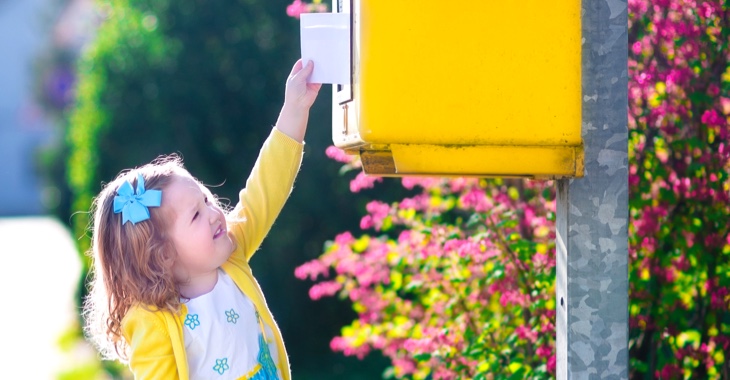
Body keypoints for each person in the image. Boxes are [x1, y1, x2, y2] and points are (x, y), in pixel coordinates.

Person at [83, 59, 321, 380]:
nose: (213, 213)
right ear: (163, 254)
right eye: (196, 214)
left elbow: (267, 189)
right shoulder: (154, 318)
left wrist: (295, 108)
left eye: (206, 200)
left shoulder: (230, 253)